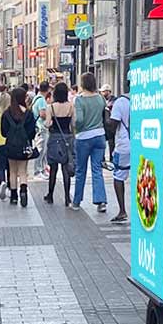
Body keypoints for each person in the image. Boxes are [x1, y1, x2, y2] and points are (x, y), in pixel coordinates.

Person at [71, 72, 108, 213]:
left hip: (84, 137)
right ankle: (101, 201)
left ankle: (76, 201)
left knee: (81, 170)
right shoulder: (100, 98)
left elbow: (79, 120)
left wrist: (75, 126)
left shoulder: (79, 100)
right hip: (99, 136)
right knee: (97, 169)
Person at [2, 86, 38, 207]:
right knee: (23, 171)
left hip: (11, 146)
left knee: (12, 171)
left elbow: (3, 132)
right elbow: (32, 132)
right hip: (24, 146)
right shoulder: (28, 114)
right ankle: (23, 191)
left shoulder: (7, 113)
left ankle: (13, 196)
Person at [45, 81, 74, 206]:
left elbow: (47, 124)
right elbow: (74, 124)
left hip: (54, 138)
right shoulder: (71, 106)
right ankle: (67, 197)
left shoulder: (50, 107)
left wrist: (51, 124)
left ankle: (50, 195)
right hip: (67, 137)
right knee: (65, 168)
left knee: (53, 168)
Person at [109, 89, 130, 224]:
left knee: (118, 177)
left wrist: (106, 114)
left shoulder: (121, 102)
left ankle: (122, 210)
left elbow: (112, 126)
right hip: (145, 144)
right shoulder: (148, 97)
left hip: (124, 145)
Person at [31, 81, 50, 178]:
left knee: (42, 150)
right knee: (41, 150)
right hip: (41, 127)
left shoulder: (36, 98)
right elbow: (42, 114)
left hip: (37, 127)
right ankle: (37, 171)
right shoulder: (42, 100)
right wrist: (49, 117)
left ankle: (42, 170)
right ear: (48, 89)